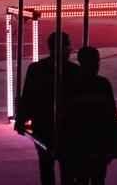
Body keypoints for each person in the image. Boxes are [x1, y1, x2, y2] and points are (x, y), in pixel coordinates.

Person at [16, 30, 81, 185]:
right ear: (64, 48)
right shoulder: (74, 70)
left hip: (42, 125)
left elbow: (28, 97)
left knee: (46, 166)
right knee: (67, 168)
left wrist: (21, 119)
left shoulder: (36, 68)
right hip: (67, 126)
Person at [65, 46, 117, 184]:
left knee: (81, 178)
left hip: (78, 140)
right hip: (98, 140)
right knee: (98, 178)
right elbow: (111, 114)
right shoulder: (103, 84)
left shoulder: (71, 84)